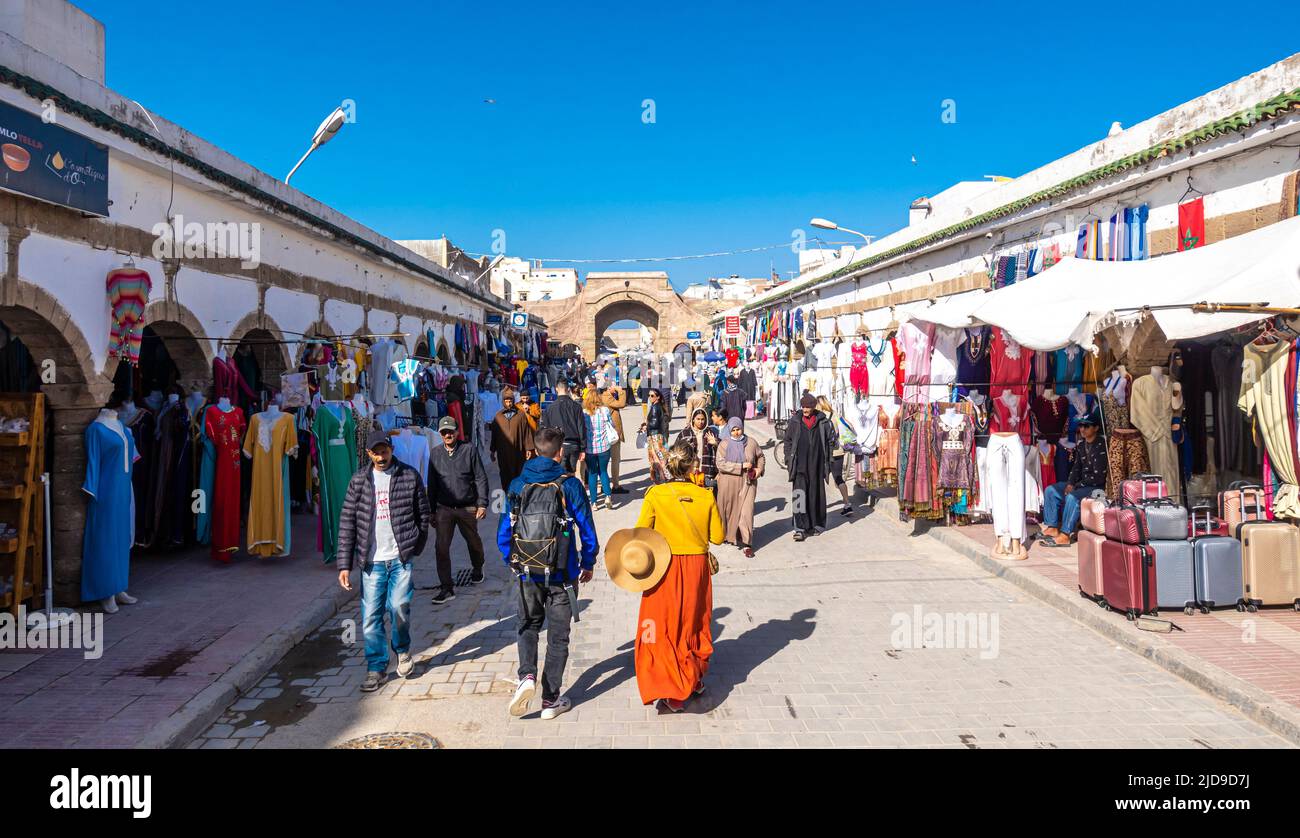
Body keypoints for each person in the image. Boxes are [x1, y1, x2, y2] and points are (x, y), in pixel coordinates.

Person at [500, 427, 599, 720]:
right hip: (562, 572)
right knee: (558, 637)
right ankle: (550, 700)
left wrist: (512, 560)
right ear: (558, 453)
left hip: (527, 572)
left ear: (533, 452)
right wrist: (588, 561)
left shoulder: (518, 484)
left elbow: (505, 531)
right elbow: (587, 529)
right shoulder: (569, 484)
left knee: (528, 625)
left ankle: (526, 676)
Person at [336, 430, 431, 692]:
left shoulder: (409, 476)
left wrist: (414, 546)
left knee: (400, 607)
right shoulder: (359, 481)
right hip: (372, 561)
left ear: (391, 449)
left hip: (400, 558)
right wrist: (344, 564)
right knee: (370, 616)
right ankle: (376, 667)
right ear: (368, 453)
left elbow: (423, 514)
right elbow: (347, 523)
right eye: (375, 452)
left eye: (384, 451)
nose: (381, 456)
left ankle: (401, 649)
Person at [633, 440, 724, 712]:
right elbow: (718, 537)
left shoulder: (655, 495)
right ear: (693, 465)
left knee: (663, 626)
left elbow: (640, 532)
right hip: (696, 567)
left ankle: (672, 688)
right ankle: (692, 677)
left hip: (664, 567)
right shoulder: (705, 495)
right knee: (693, 623)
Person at [427, 416, 490, 604]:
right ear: (440, 434)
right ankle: (447, 588)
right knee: (441, 547)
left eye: (451, 431)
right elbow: (432, 483)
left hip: (467, 506)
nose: (448, 435)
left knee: (473, 542)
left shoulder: (468, 450)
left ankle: (478, 567)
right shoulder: (435, 453)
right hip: (444, 508)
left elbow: (480, 477)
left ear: (457, 432)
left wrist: (482, 503)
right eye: (444, 432)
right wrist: (431, 511)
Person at [1040, 411, 1109, 547]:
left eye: (1087, 426)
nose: (1082, 429)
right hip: (1081, 485)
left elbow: (1098, 476)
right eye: (1081, 426)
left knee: (1072, 497)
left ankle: (1065, 535)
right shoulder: (1082, 444)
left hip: (1096, 488)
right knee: (1051, 491)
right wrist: (1071, 483)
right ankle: (1052, 527)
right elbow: (1076, 467)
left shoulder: (1102, 446)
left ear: (1096, 428)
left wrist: (1076, 485)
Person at [782, 394, 834, 542]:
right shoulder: (795, 421)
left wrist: (828, 461)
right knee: (799, 495)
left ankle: (815, 525)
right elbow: (787, 441)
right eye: (803, 406)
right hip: (799, 465)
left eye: (808, 407)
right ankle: (799, 528)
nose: (805, 410)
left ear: (813, 407)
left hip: (817, 465)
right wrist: (788, 459)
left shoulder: (822, 421)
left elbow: (829, 442)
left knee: (815, 495)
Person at [715, 417, 764, 556]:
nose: (736, 432)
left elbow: (761, 457)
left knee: (746, 512)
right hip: (728, 483)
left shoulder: (751, 443)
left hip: (747, 483)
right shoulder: (724, 444)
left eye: (739, 429)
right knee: (729, 511)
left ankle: (747, 543)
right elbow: (720, 464)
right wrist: (740, 466)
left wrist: (758, 470)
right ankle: (728, 536)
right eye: (734, 430)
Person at [816, 395, 857, 517]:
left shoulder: (819, 417)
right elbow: (850, 426)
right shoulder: (835, 414)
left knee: (819, 478)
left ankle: (818, 506)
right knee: (838, 478)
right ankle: (847, 504)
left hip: (824, 452)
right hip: (838, 451)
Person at [489, 388, 535, 491]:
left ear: (513, 401)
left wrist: (528, 448)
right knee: (505, 474)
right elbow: (494, 435)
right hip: (503, 452)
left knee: (518, 473)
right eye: (506, 401)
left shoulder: (521, 415)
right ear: (503, 402)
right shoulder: (498, 417)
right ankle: (507, 493)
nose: (509, 404)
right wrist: (492, 451)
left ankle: (518, 493)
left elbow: (526, 431)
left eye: (510, 401)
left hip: (518, 452)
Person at [541, 378, 587, 475]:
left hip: (558, 446)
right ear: (568, 389)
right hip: (573, 445)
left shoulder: (550, 408)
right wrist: (583, 448)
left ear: (557, 389)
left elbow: (545, 430)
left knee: (559, 476)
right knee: (570, 474)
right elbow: (581, 428)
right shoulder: (576, 407)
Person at [582, 388, 618, 510]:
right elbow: (611, 425)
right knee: (603, 472)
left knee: (592, 474)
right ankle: (608, 496)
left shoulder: (584, 413)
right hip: (604, 447)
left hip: (590, 448)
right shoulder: (604, 410)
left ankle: (594, 502)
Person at [674, 407, 718, 488]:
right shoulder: (684, 433)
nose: (700, 422)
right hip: (689, 472)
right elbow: (676, 451)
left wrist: (715, 443)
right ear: (693, 419)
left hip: (706, 472)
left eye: (703, 419)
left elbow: (720, 452)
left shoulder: (710, 433)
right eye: (698, 419)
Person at [601, 384, 630, 494]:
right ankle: (615, 485)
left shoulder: (607, 396)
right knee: (615, 460)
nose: (617, 387)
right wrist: (621, 391)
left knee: (611, 460)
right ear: (609, 388)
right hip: (612, 435)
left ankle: (609, 484)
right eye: (615, 385)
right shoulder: (607, 397)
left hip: (610, 434)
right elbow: (622, 404)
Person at [641, 387, 670, 485]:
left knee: (655, 458)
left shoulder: (654, 407)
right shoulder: (660, 406)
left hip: (654, 437)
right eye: (648, 395)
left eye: (652, 396)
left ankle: (660, 479)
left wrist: (646, 426)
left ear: (657, 397)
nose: (650, 397)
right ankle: (664, 477)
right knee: (662, 456)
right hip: (659, 436)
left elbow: (655, 423)